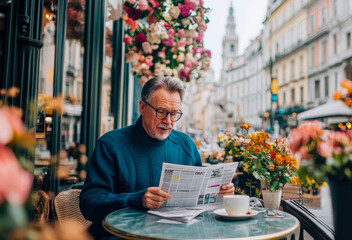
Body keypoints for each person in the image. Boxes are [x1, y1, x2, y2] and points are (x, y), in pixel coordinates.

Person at [79, 77, 235, 239]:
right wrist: (135, 199)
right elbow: (89, 203)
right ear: (142, 107)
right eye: (161, 112)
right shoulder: (111, 144)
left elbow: (198, 200)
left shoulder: (186, 145)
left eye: (174, 114)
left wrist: (219, 192)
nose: (168, 121)